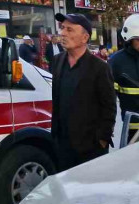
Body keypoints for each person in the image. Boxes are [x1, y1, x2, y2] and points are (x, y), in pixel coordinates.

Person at [51, 13, 116, 170]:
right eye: (62, 28)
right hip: (62, 147)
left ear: (85, 38)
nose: (63, 33)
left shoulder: (100, 68)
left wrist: (102, 140)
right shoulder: (58, 61)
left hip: (90, 149)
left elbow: (109, 107)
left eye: (70, 30)